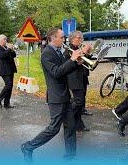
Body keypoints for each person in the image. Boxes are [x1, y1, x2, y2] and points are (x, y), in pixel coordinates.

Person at [21, 28, 85, 161]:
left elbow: (65, 69)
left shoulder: (58, 52)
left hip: (64, 95)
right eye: (62, 37)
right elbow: (56, 72)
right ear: (53, 38)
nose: (64, 39)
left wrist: (77, 63)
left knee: (70, 126)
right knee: (54, 128)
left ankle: (70, 157)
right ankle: (28, 146)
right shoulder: (46, 54)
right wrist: (72, 60)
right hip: (56, 97)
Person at [64, 31, 90, 132]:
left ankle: (79, 125)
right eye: (78, 38)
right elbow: (72, 62)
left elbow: (83, 61)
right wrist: (83, 52)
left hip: (81, 77)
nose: (80, 40)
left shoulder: (78, 49)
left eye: (81, 38)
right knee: (78, 101)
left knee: (80, 102)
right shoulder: (69, 50)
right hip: (73, 79)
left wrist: (87, 53)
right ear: (72, 39)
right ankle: (67, 121)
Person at [0, 34, 17, 108]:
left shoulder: (6, 47)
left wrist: (12, 49)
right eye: (4, 39)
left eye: (6, 39)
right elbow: (2, 56)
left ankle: (6, 103)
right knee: (8, 84)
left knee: (10, 86)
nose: (6, 41)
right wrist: (8, 49)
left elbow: (14, 55)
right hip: (4, 69)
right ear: (0, 40)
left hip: (10, 68)